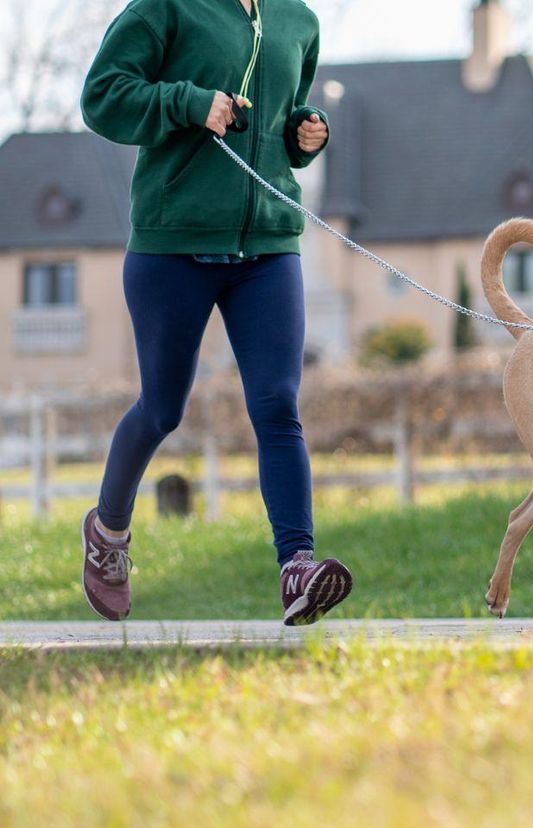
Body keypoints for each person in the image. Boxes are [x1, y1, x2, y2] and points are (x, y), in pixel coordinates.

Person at [78, 0, 352, 625]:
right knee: (162, 408)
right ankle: (108, 536)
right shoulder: (166, 8)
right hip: (172, 242)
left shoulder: (298, 21)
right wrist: (186, 102)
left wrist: (305, 133)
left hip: (268, 248)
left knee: (278, 405)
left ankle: (297, 568)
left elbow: (278, 123)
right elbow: (102, 96)